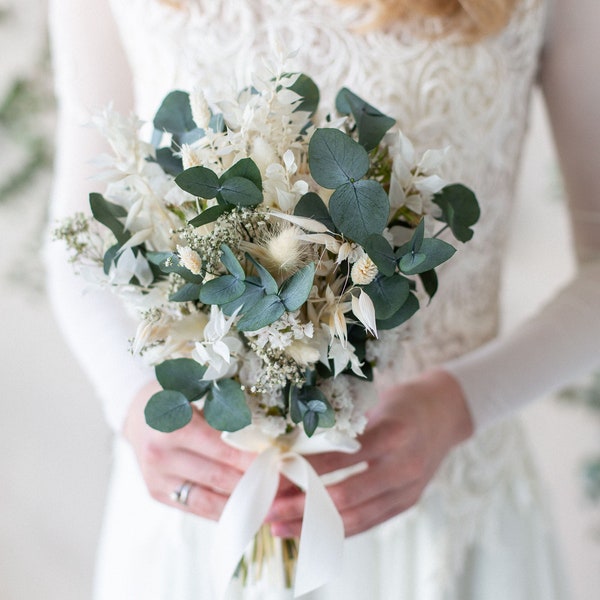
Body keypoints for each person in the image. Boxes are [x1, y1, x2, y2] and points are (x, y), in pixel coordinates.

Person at [46, 0, 600, 598]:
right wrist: (133, 402)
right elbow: (78, 243)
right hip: (206, 506)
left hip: (439, 505)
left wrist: (461, 404)